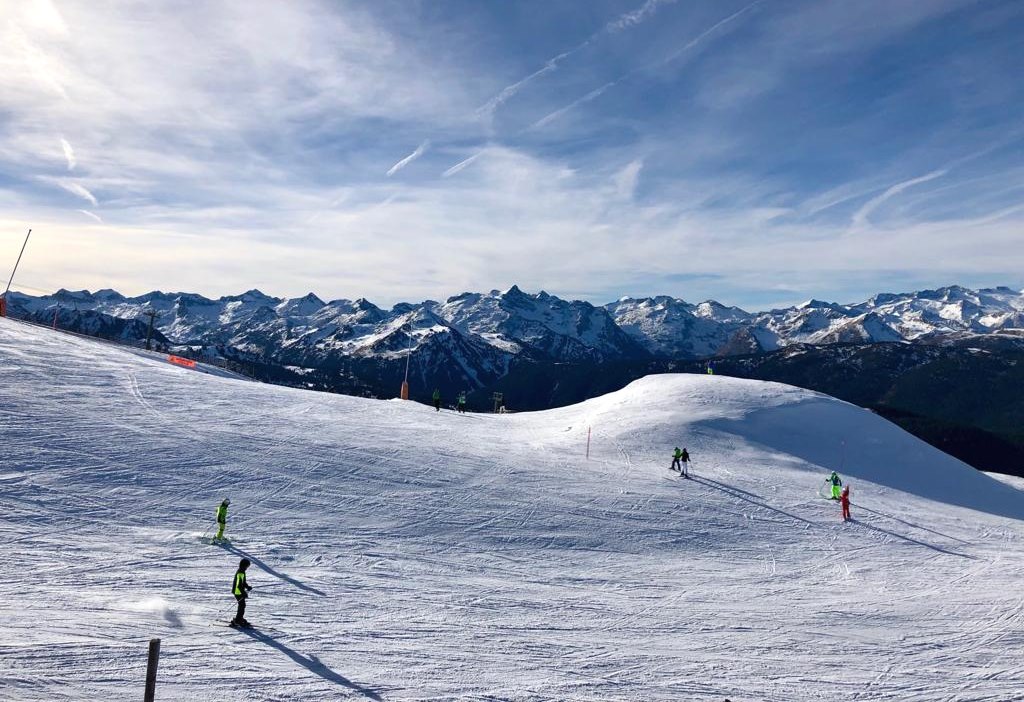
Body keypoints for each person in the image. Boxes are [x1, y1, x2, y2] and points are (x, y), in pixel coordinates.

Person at [230, 557, 253, 627]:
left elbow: (243, 582)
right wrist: (243, 593)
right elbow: (239, 585)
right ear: (244, 565)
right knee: (242, 605)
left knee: (242, 605)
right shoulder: (240, 573)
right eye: (247, 566)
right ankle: (238, 620)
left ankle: (239, 618)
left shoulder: (242, 571)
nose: (247, 568)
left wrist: (247, 586)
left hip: (238, 591)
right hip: (238, 591)